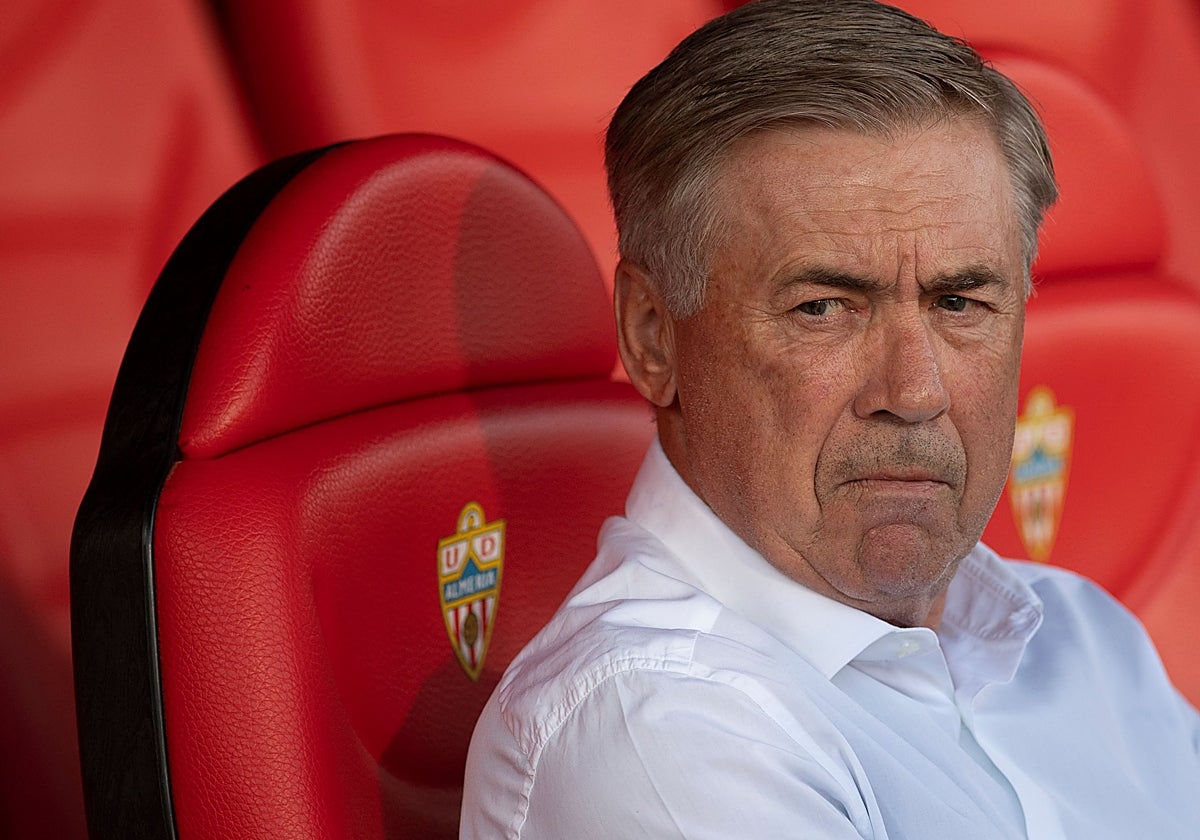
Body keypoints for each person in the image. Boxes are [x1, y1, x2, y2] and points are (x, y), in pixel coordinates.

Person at [460, 1, 1200, 837]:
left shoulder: (1083, 638)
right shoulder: (658, 733)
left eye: (960, 302)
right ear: (652, 336)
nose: (915, 391)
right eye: (824, 308)